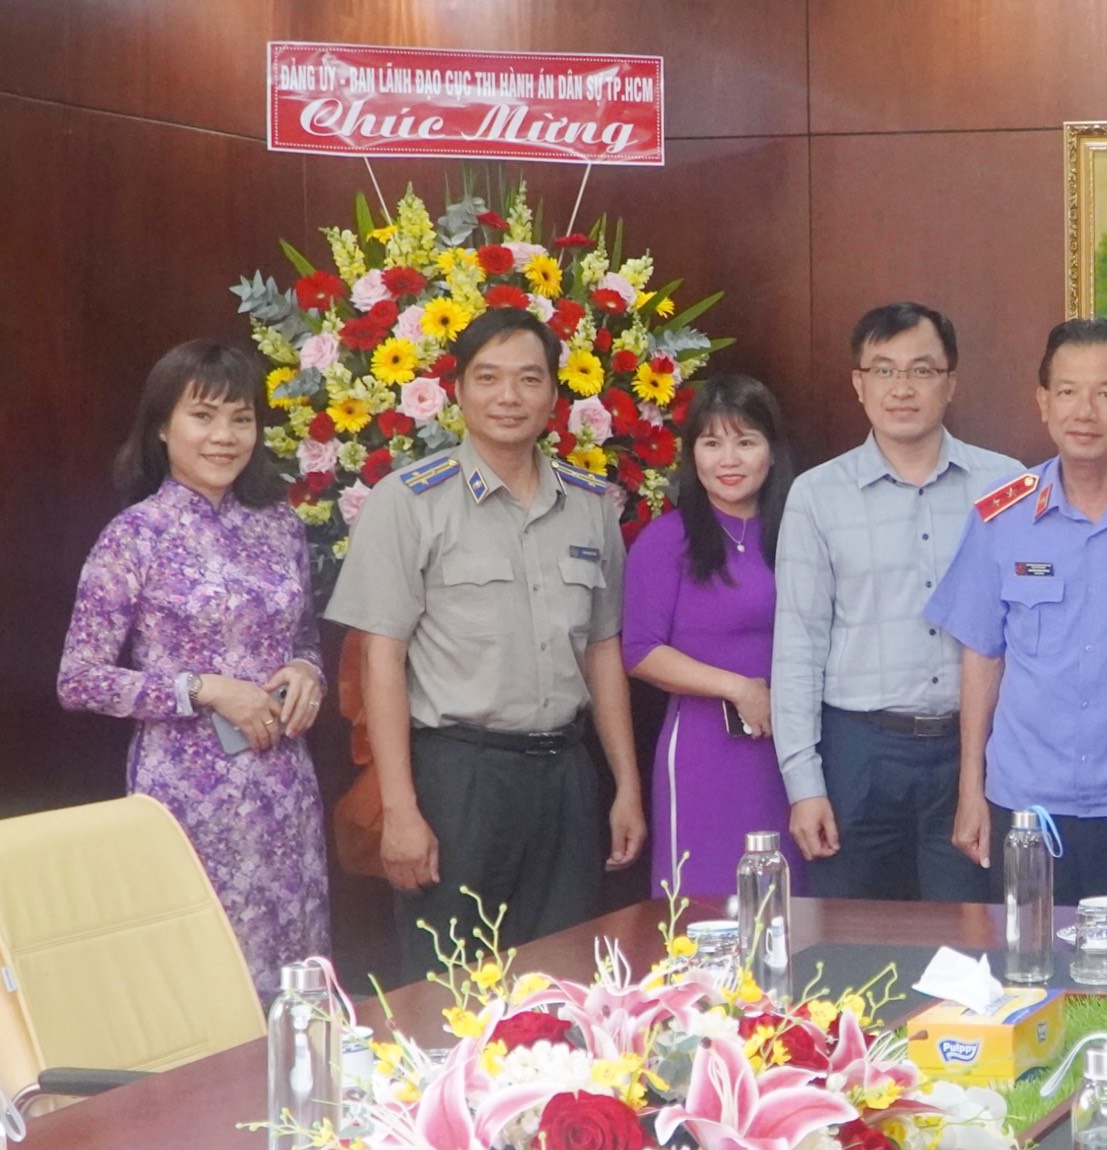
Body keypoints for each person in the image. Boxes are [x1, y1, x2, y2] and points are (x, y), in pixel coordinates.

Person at [327, 308, 645, 976]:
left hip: (565, 776)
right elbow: (382, 659)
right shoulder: (409, 502)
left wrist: (625, 786)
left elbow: (603, 651)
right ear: (458, 391)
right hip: (458, 779)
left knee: (564, 982)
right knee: (447, 989)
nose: (509, 396)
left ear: (554, 395)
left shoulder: (591, 505)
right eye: (489, 377)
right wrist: (401, 811)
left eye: (529, 379)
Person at [58, 340, 329, 993]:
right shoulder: (134, 536)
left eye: (241, 418)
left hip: (282, 788)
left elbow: (304, 637)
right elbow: (79, 679)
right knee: (199, 983)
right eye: (203, 416)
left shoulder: (281, 527)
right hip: (186, 795)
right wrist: (203, 690)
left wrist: (307, 673)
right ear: (162, 426)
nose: (224, 436)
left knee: (295, 976)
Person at [924, 318, 1107, 906]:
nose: (1085, 411)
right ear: (1043, 403)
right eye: (1067, 391)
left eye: (1105, 394)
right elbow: (982, 659)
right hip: (1025, 800)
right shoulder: (999, 517)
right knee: (1029, 957)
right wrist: (970, 789)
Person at [772, 303, 1021, 901]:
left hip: (973, 752)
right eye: (883, 370)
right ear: (859, 384)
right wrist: (804, 785)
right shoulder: (816, 495)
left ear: (950, 383)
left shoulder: (1006, 485)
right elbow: (799, 644)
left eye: (921, 370)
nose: (902, 388)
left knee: (967, 940)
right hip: (858, 753)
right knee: (851, 942)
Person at [624, 375, 801, 897]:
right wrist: (739, 688)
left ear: (772, 451)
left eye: (745, 442)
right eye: (711, 443)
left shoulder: (800, 532)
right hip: (706, 751)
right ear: (692, 455)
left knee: (792, 899)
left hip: (793, 751)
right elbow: (639, 650)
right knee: (704, 901)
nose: (728, 460)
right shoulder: (666, 540)